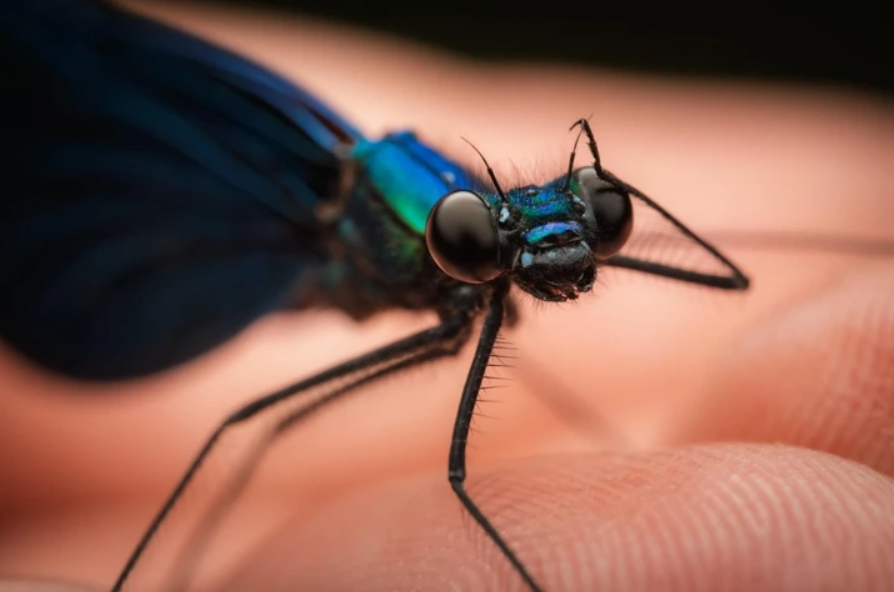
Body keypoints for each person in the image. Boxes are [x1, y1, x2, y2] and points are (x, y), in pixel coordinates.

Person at [1, 2, 892, 591]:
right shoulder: (393, 223)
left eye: (598, 222)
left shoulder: (493, 248)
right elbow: (459, 486)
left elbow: (730, 276)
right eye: (487, 243)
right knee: (252, 425)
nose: (561, 255)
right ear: (457, 240)